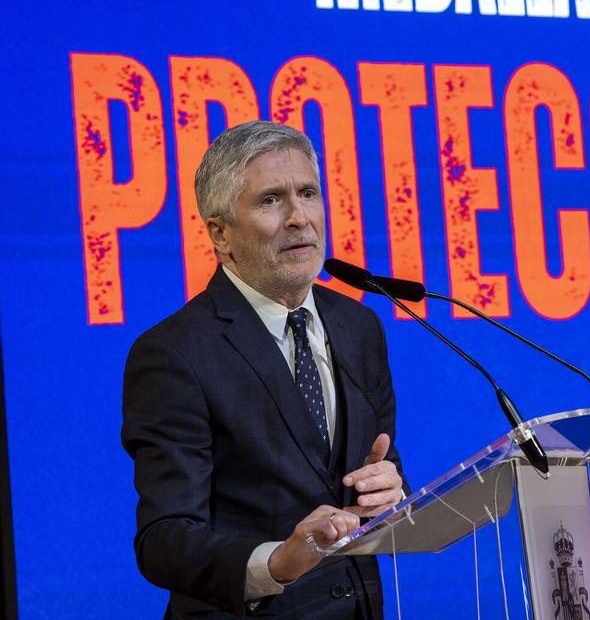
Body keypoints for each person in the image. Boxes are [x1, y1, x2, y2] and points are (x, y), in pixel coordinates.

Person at [122, 121, 407, 618]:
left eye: (309, 193)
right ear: (220, 233)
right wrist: (276, 562)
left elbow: (370, 471)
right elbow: (164, 540)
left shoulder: (359, 327)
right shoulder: (174, 354)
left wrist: (390, 487)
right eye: (272, 200)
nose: (300, 217)